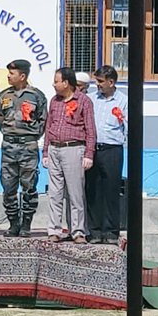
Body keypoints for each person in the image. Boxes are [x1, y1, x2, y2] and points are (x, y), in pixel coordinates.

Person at [42, 67, 96, 243]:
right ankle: (54, 230)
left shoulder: (84, 101)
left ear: (66, 83)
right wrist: (45, 151)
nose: (54, 84)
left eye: (56, 81)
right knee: (55, 193)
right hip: (54, 149)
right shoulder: (54, 101)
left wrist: (89, 154)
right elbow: (48, 127)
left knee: (75, 193)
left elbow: (90, 130)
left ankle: (78, 231)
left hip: (73, 149)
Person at [0, 60, 47, 237]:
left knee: (29, 185)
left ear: (23, 76)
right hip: (9, 146)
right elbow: (0, 119)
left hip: (28, 146)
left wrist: (29, 136)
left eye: (12, 73)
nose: (8, 76)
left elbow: (42, 121)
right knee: (8, 186)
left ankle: (26, 224)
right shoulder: (3, 96)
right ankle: (13, 224)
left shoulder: (36, 96)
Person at [87, 65, 128, 244]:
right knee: (93, 190)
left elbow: (129, 126)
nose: (97, 85)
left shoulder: (123, 101)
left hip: (112, 149)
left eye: (101, 81)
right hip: (93, 149)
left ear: (111, 82)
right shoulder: (91, 99)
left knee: (111, 190)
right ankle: (94, 231)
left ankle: (111, 231)